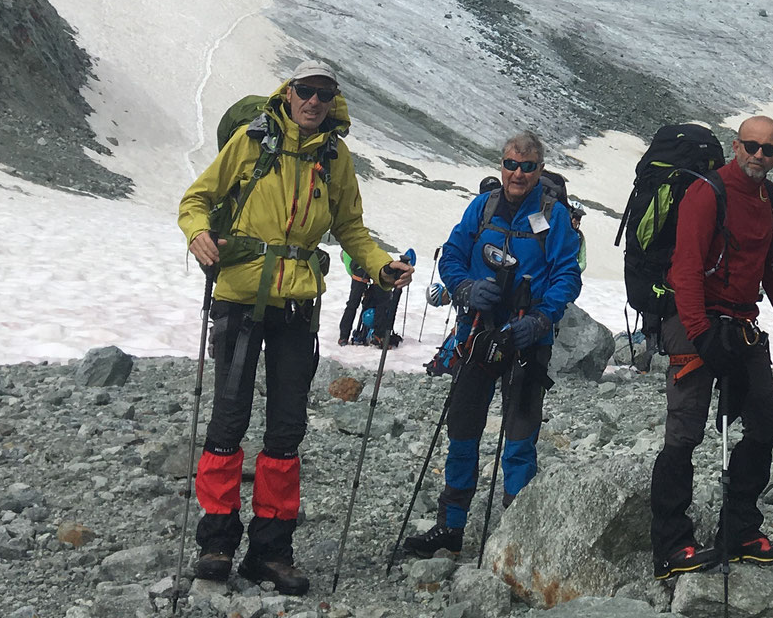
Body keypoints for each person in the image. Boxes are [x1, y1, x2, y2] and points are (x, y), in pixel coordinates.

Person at [178, 63, 413, 596]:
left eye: (323, 94)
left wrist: (380, 266)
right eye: (305, 91)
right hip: (240, 299)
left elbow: (350, 226)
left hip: (297, 308)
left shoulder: (335, 157)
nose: (313, 101)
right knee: (227, 423)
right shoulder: (250, 140)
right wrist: (196, 233)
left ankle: (270, 552)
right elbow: (197, 199)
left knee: (286, 431)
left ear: (332, 101)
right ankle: (216, 545)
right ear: (288, 94)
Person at [650, 115, 773, 579]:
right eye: (750, 146)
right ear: (734, 145)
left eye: (768, 150)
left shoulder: (772, 199)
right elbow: (685, 268)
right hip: (695, 319)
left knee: (765, 423)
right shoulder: (708, 192)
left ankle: (739, 530)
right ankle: (671, 544)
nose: (758, 156)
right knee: (685, 432)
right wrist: (702, 334)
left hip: (742, 321)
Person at [402, 132, 582, 558]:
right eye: (511, 164)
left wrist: (540, 319)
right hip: (477, 333)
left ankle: (517, 533)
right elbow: (452, 256)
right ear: (501, 165)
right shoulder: (481, 208)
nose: (517, 173)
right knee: (463, 428)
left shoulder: (553, 216)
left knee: (520, 436)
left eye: (527, 166)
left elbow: (567, 276)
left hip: (526, 338)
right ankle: (451, 526)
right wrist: (464, 289)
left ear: (540, 169)